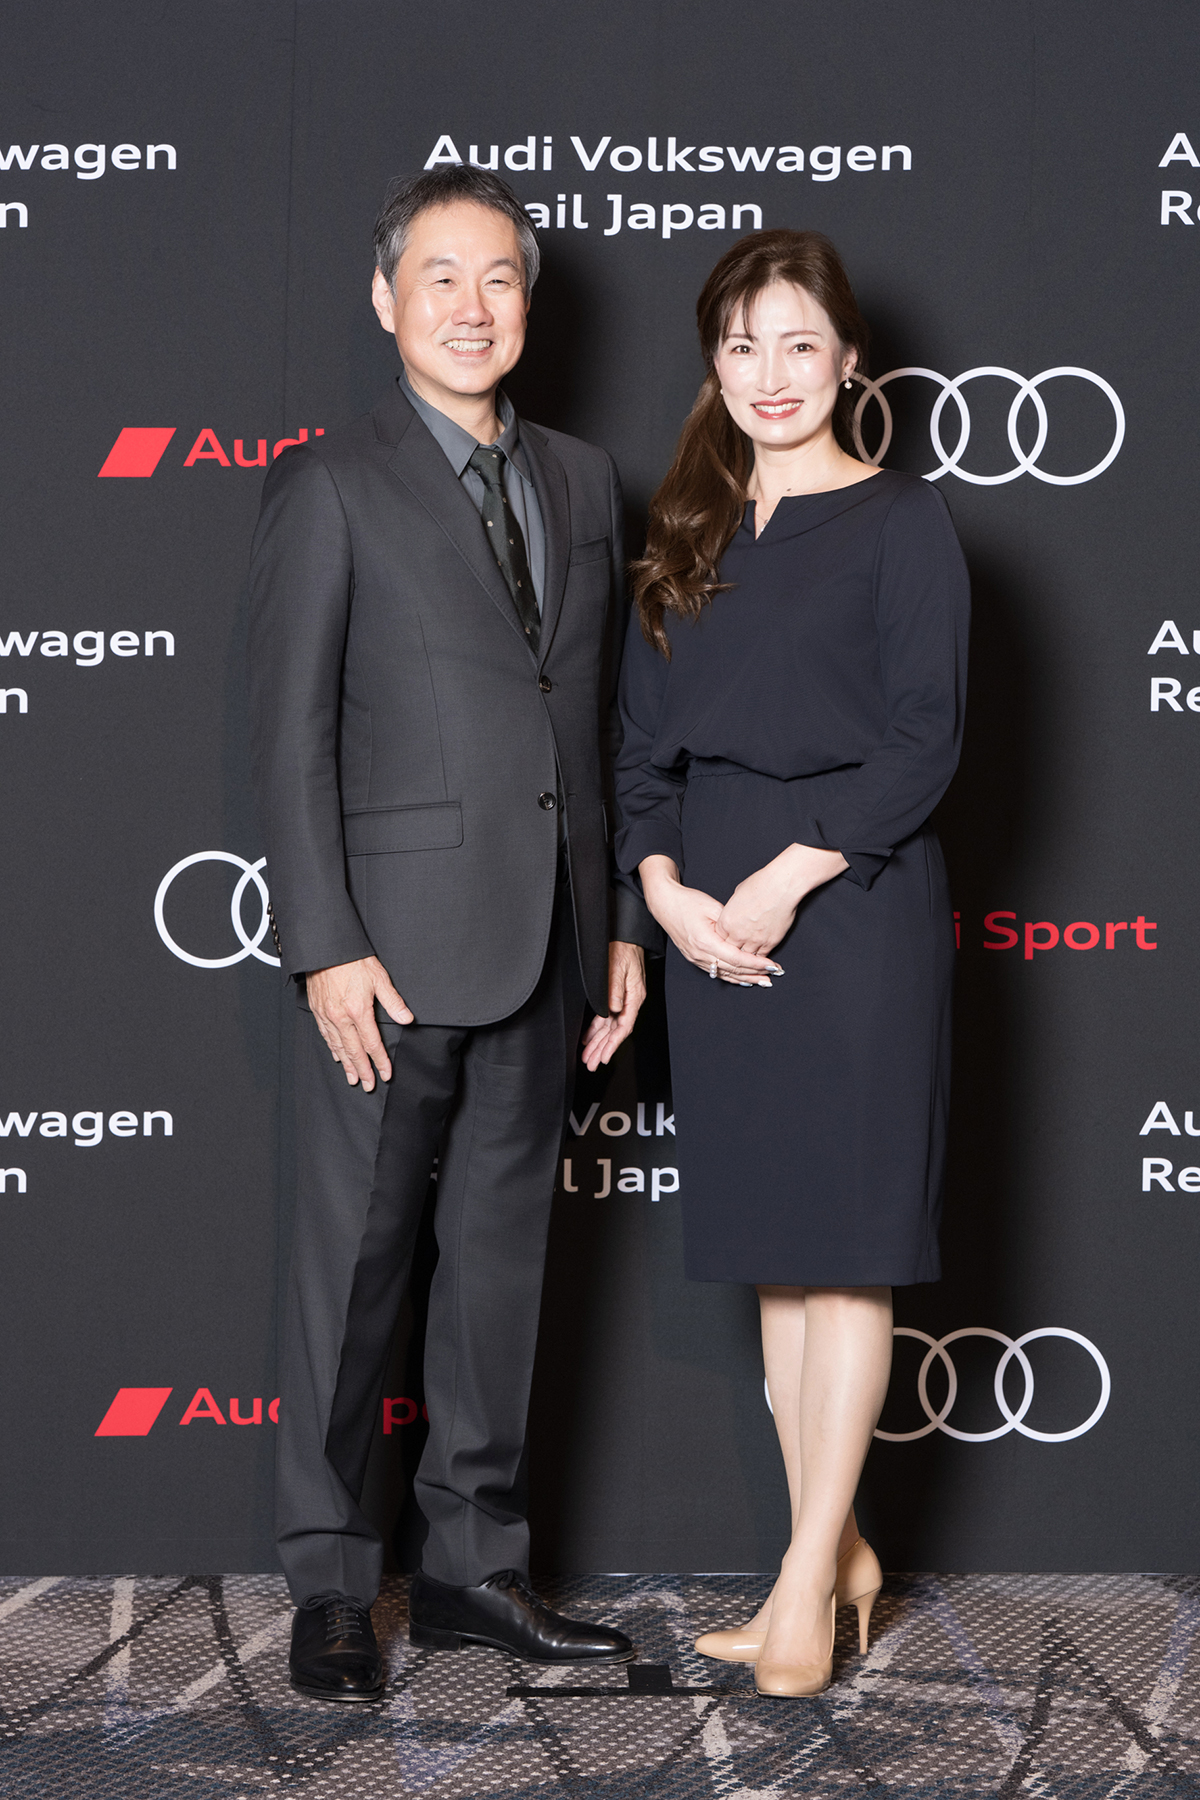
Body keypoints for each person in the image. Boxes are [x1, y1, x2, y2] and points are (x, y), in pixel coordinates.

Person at [248, 165, 659, 1701]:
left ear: (528, 303)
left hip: (549, 939)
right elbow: (288, 736)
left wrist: (618, 922)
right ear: (385, 298)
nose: (472, 307)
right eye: (441, 277)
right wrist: (323, 942)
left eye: (499, 279)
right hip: (389, 956)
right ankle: (330, 1582)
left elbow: (600, 724)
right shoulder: (328, 484)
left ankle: (477, 1569)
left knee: (498, 1273)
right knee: (354, 1279)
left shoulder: (584, 479)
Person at [615, 230, 969, 1697]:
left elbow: (925, 740)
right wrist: (666, 897)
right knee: (778, 1261)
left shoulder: (904, 522)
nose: (771, 374)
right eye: (743, 345)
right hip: (713, 920)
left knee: (847, 1262)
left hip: (853, 912)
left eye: (800, 344)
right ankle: (836, 1555)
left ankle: (803, 1587)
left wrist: (790, 870)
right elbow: (640, 755)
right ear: (714, 363)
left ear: (848, 361)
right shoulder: (686, 530)